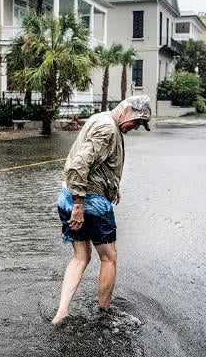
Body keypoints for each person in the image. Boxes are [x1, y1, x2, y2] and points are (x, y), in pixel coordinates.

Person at [51, 95, 151, 325]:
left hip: (67, 195)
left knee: (80, 257)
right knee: (109, 258)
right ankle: (104, 312)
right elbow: (80, 164)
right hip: (88, 202)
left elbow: (99, 161)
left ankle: (61, 313)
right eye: (136, 122)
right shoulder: (108, 129)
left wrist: (113, 186)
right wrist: (79, 206)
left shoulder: (102, 118)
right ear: (126, 110)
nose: (135, 128)